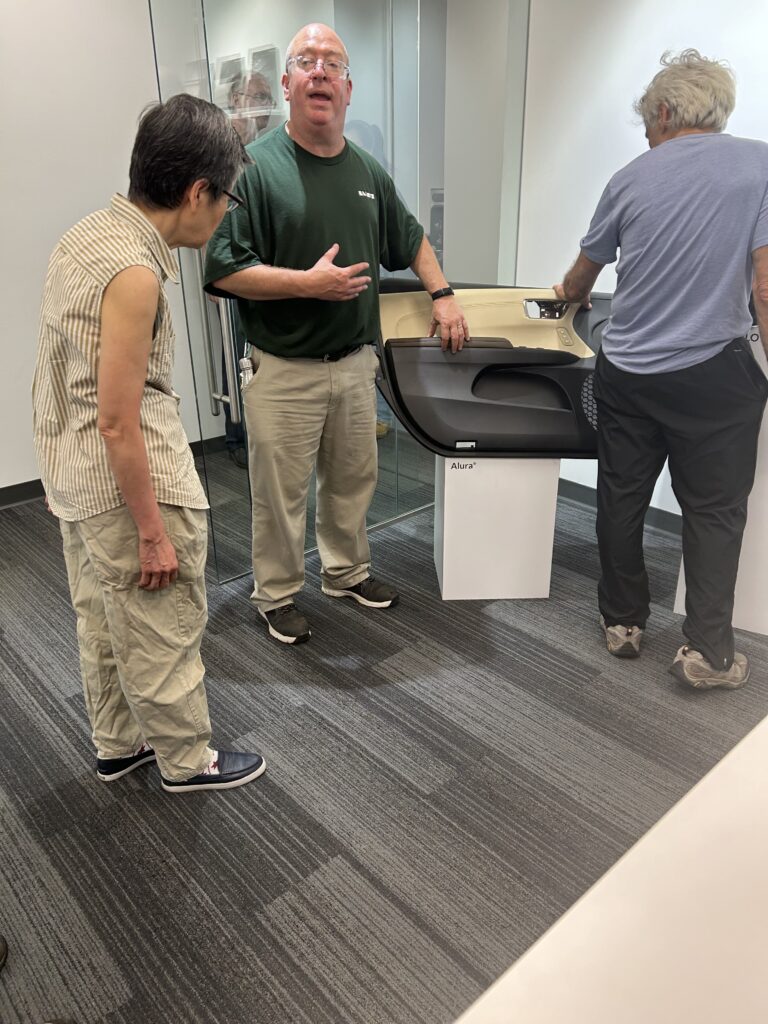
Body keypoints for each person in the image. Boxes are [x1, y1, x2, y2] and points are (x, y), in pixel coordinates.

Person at [204, 22, 469, 645]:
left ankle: (346, 573)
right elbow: (223, 271)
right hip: (283, 368)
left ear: (348, 90)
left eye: (332, 64)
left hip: (354, 365)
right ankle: (276, 595)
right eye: (306, 62)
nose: (319, 71)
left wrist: (444, 295)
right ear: (290, 86)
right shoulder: (254, 170)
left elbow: (411, 239)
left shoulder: (367, 171)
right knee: (279, 495)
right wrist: (306, 284)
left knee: (353, 483)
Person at [32, 95, 266, 791]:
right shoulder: (134, 274)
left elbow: (58, 373)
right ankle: (188, 760)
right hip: (128, 484)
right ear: (197, 192)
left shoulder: (86, 235)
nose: (224, 214)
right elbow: (117, 419)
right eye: (224, 198)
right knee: (161, 624)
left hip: (79, 479)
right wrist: (153, 532)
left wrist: (58, 478)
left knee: (104, 622)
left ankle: (118, 743)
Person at [554, 49, 768, 690]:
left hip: (628, 372)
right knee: (714, 512)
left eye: (648, 121)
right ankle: (707, 653)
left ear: (668, 111)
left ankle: (622, 623)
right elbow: (766, 284)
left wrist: (569, 292)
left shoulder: (628, 178)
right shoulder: (760, 164)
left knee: (621, 499)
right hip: (714, 374)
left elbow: (580, 275)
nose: (647, 136)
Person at [229, 69, 277, 146]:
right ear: (236, 100)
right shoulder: (222, 140)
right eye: (261, 97)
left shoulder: (267, 140)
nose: (268, 105)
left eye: (270, 100)